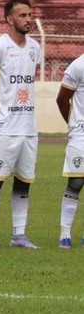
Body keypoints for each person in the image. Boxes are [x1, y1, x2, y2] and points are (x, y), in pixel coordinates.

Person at [0, 0, 41, 249]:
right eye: (23, 15)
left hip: (28, 126)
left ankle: (19, 235)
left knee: (24, 180)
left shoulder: (35, 47)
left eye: (29, 15)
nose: (28, 20)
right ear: (9, 19)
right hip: (3, 126)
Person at [55, 51, 84, 248]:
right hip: (81, 134)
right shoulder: (78, 65)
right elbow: (62, 99)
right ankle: (65, 234)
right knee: (76, 182)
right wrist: (74, 124)